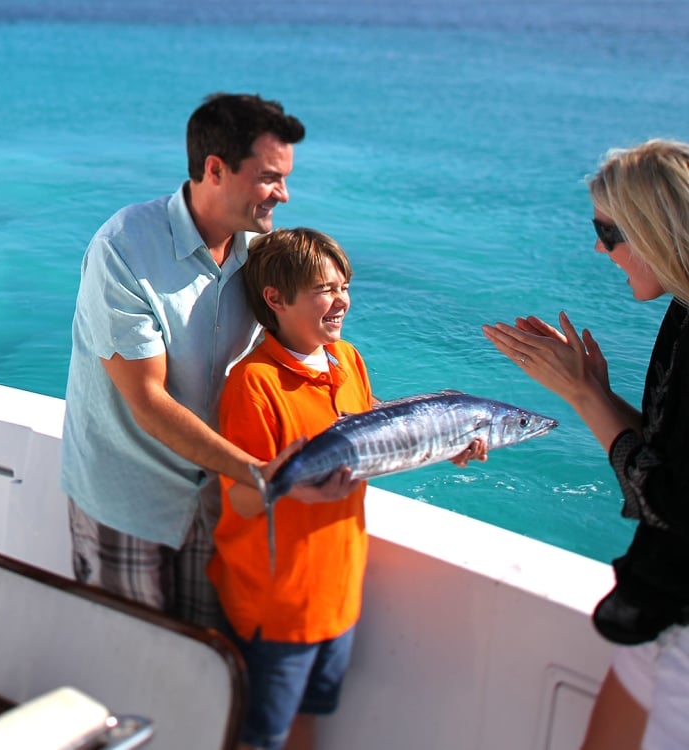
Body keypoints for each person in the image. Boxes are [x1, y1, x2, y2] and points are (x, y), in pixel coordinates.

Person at [61, 93, 357, 629]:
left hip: (222, 499)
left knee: (209, 666)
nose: (284, 195)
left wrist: (431, 436)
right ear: (215, 169)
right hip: (132, 503)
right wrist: (262, 475)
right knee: (130, 663)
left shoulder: (266, 255)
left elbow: (309, 360)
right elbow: (149, 402)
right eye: (270, 177)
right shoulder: (123, 249)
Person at [210, 228, 485, 750]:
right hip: (276, 605)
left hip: (338, 593)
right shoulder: (254, 383)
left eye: (345, 286)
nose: (341, 301)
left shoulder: (347, 360)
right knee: (257, 737)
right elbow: (242, 497)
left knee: (310, 722)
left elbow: (379, 431)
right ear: (275, 299)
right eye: (324, 289)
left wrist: (449, 442)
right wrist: (293, 490)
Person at [482, 139, 689, 750]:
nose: (600, 248)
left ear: (657, 228)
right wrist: (592, 388)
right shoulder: (681, 313)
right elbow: (663, 456)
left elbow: (667, 499)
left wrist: (583, 395)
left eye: (609, 230)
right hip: (663, 603)